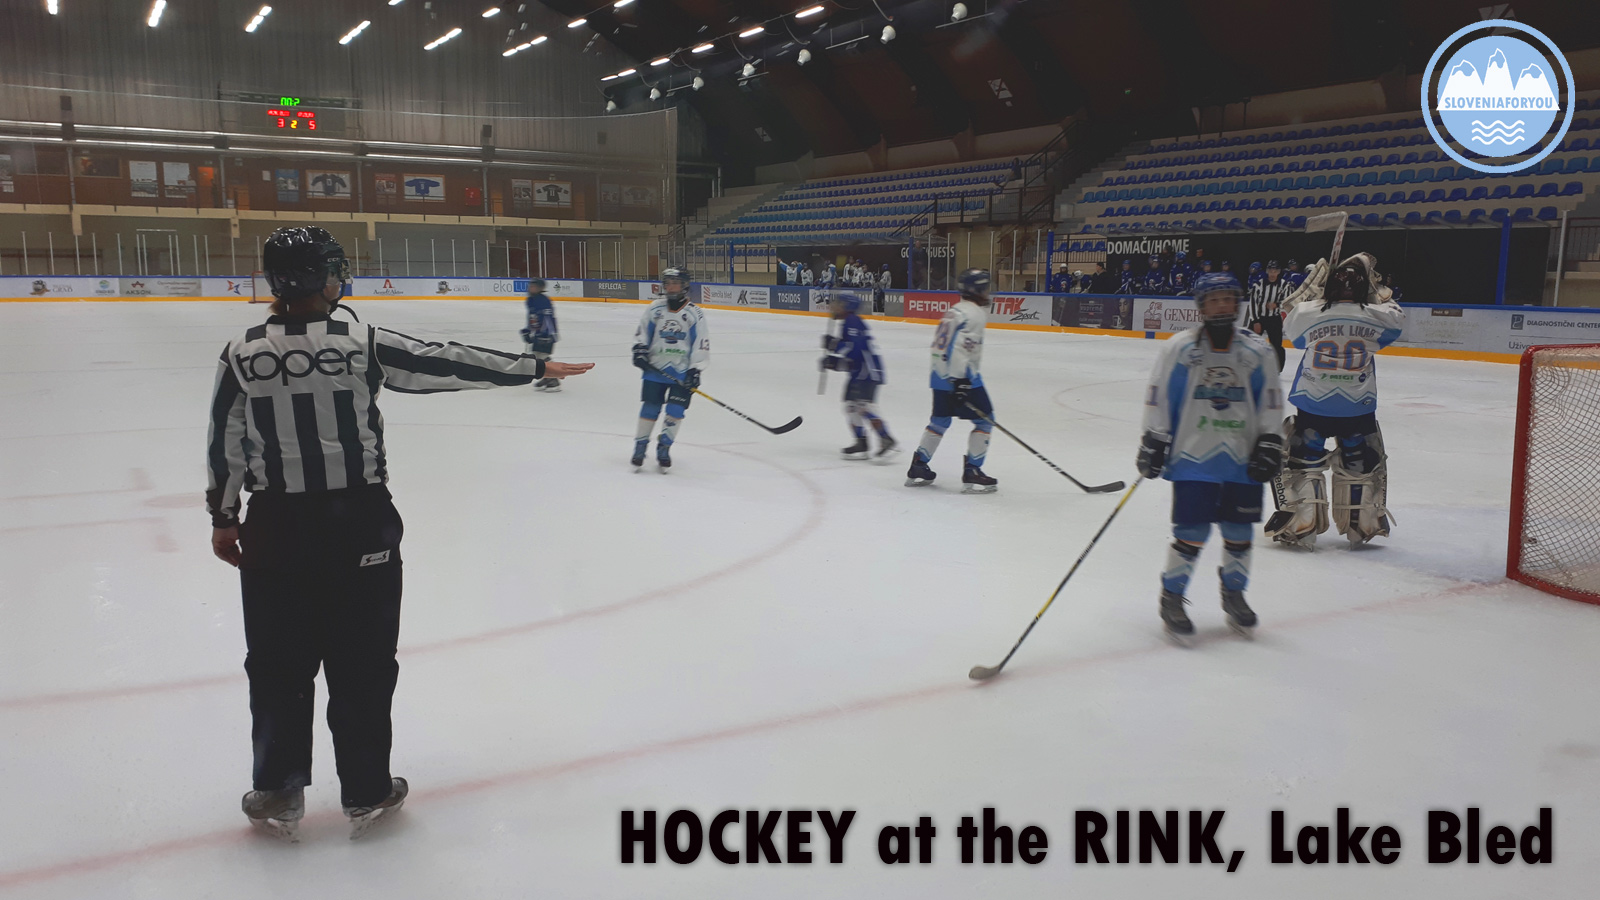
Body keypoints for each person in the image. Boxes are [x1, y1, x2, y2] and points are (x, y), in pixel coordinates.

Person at [208, 227, 592, 842]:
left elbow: (224, 443)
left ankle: (278, 788)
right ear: (322, 279)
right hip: (360, 524)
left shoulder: (242, 350)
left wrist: (224, 519)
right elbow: (440, 361)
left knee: (278, 663)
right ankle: (365, 790)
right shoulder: (361, 339)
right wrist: (532, 368)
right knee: (363, 661)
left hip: (276, 527)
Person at [1136, 272, 1284, 643]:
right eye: (1214, 299)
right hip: (1192, 455)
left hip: (1242, 456)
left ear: (1238, 304)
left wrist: (1270, 441)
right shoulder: (1179, 349)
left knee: (1238, 532)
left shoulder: (1257, 350)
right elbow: (1159, 396)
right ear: (1201, 306)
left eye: (1228, 299)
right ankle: (1172, 596)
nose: (1222, 305)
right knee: (1192, 532)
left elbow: (1270, 399)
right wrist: (1154, 440)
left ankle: (1234, 594)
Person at [1267, 253, 1405, 549]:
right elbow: (1396, 319)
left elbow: (1290, 328)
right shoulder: (1377, 314)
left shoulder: (1310, 312)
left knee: (1303, 456)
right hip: (1358, 403)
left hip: (1314, 401)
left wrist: (1310, 295)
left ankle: (1302, 522)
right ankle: (1362, 521)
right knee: (1360, 458)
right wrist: (1376, 292)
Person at [906, 268, 998, 493]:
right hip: (962, 376)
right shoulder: (975, 314)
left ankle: (919, 465)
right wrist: (961, 381)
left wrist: (948, 379)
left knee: (940, 420)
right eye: (985, 288)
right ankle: (973, 470)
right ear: (976, 290)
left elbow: (940, 347)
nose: (987, 292)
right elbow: (960, 349)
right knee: (986, 420)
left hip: (939, 375)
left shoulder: (954, 310)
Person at [631, 267, 709, 471]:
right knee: (650, 407)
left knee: (675, 410)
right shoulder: (655, 309)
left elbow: (701, 342)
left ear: (684, 286)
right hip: (655, 369)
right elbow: (642, 333)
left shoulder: (694, 313)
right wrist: (639, 349)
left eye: (675, 283)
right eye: (668, 283)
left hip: (681, 372)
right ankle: (640, 446)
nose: (671, 287)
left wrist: (695, 370)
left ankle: (664, 447)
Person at [821, 292, 897, 461]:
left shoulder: (852, 321)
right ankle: (861, 442)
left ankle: (887, 439)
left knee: (862, 407)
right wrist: (832, 362)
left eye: (839, 303)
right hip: (860, 372)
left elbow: (855, 349)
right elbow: (852, 359)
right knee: (850, 407)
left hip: (867, 373)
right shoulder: (849, 323)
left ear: (847, 306)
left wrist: (833, 345)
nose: (834, 306)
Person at [1246, 260, 1292, 371]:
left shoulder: (1285, 285)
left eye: (1275, 270)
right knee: (1249, 342)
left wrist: (1276, 305)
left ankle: (1276, 369)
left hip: (1274, 318)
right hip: (1259, 317)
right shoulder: (1258, 285)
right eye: (1270, 270)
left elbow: (1288, 302)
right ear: (1267, 271)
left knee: (1276, 346)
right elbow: (1253, 303)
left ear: (1278, 272)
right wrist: (1255, 320)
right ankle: (1246, 365)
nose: (1272, 273)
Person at [521, 277, 562, 391]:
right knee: (536, 356)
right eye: (531, 286)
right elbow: (532, 318)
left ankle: (554, 379)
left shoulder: (543, 300)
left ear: (540, 288)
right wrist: (527, 331)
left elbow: (548, 318)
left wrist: (547, 334)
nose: (531, 288)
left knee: (542, 356)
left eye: (534, 286)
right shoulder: (530, 300)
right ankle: (547, 376)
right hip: (538, 333)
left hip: (547, 333)